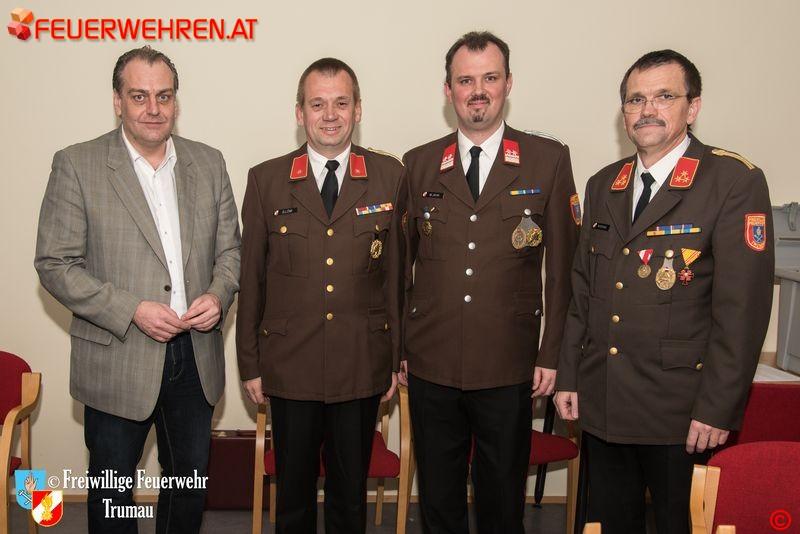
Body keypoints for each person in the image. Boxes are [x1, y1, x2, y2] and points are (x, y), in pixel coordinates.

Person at [555, 49, 774, 534]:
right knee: (609, 525)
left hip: (682, 413)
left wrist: (717, 408)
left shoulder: (731, 181)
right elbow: (583, 292)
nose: (647, 110)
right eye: (635, 99)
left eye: (664, 97)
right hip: (605, 401)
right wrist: (569, 375)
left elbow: (742, 312)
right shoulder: (603, 185)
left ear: (692, 107)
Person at [34, 46, 241, 533]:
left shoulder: (209, 163)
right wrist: (131, 309)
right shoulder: (78, 164)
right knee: (112, 499)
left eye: (164, 96)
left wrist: (218, 295)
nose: (154, 108)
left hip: (195, 357)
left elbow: (231, 252)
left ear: (176, 102)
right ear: (117, 101)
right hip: (118, 356)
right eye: (139, 96)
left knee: (187, 493)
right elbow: (55, 264)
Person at [400, 31, 580, 533]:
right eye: (465, 81)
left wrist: (552, 354)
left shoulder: (547, 159)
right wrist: (400, 347)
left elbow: (564, 271)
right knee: (438, 503)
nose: (477, 91)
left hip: (509, 363)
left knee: (502, 504)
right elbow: (399, 268)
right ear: (448, 90)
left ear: (508, 84)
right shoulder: (418, 164)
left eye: (489, 78)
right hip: (432, 361)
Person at [236, 57, 405, 534]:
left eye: (341, 103)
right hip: (290, 365)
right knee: (293, 498)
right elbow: (252, 279)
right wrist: (250, 363)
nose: (330, 115)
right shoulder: (266, 180)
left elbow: (396, 278)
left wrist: (394, 358)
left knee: (349, 499)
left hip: (360, 362)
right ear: (299, 113)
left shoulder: (389, 176)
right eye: (317, 104)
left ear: (358, 110)